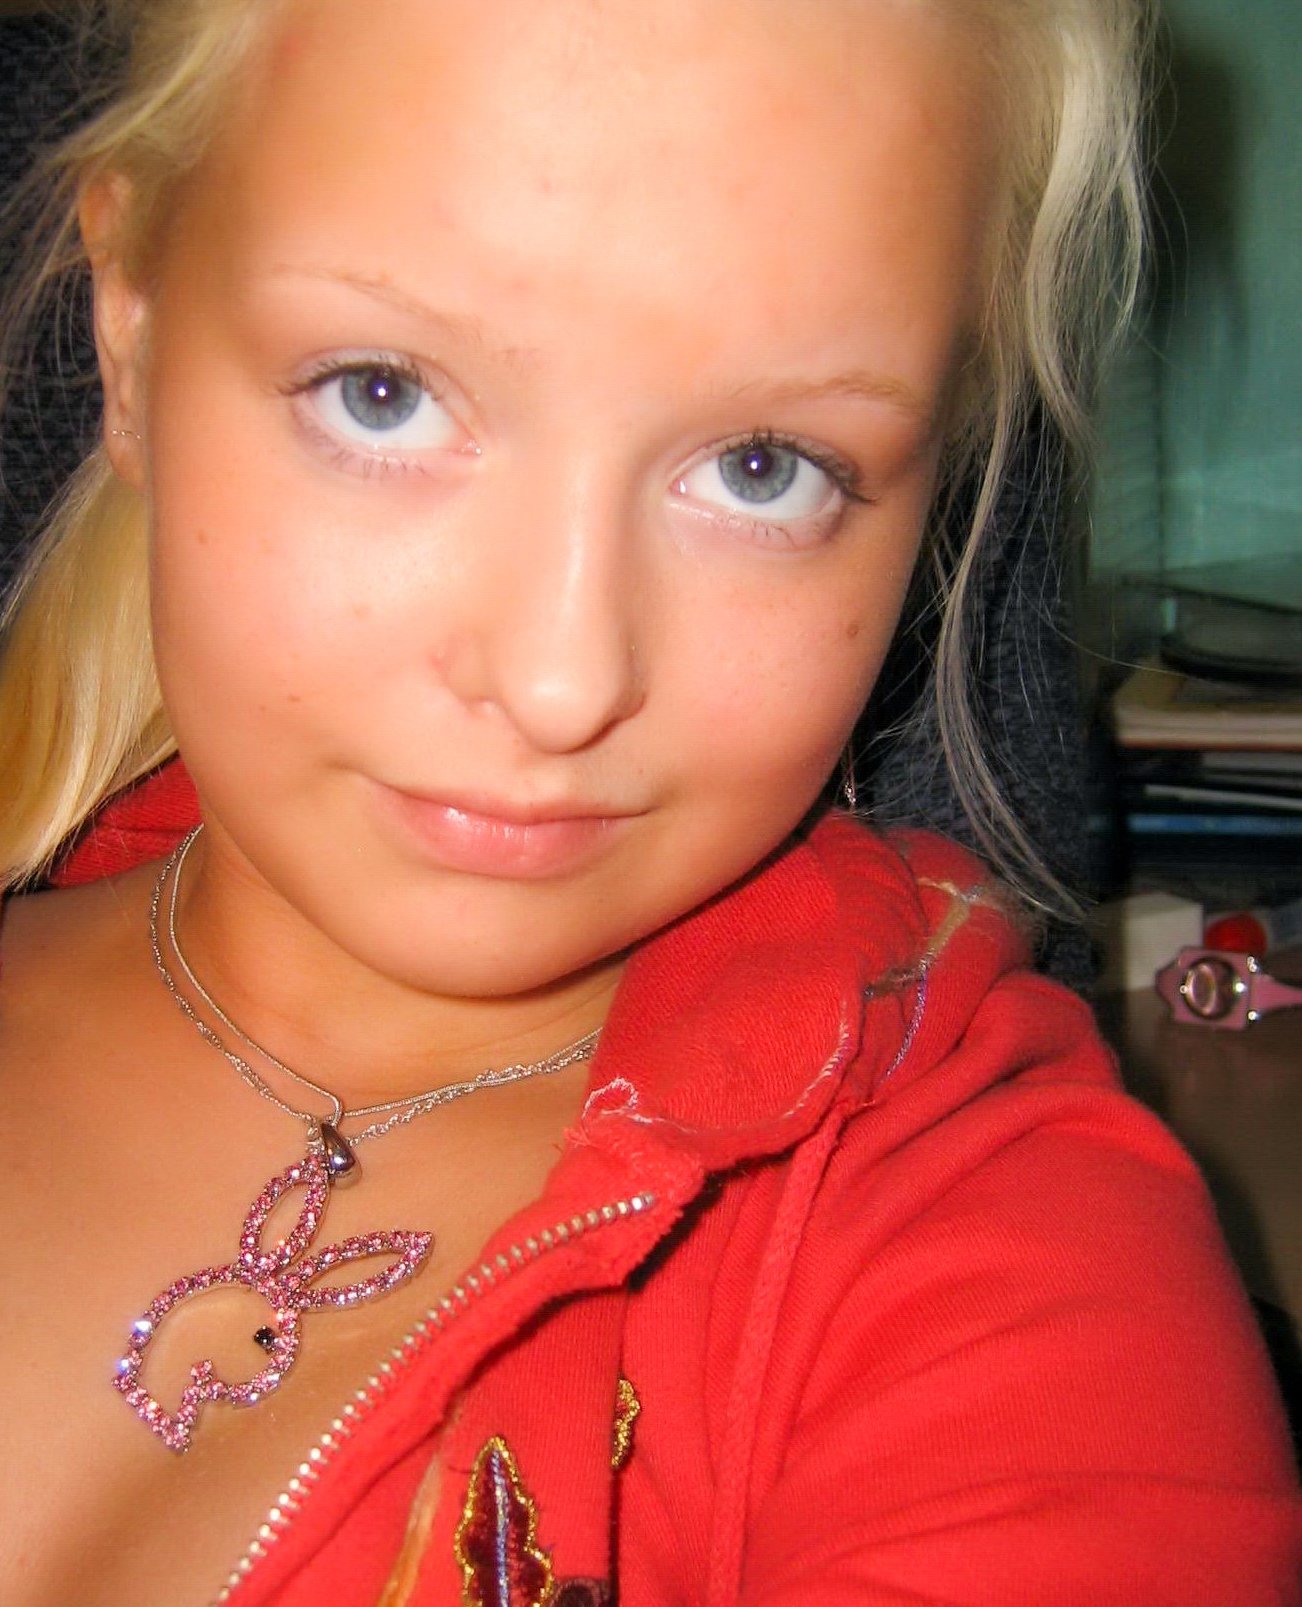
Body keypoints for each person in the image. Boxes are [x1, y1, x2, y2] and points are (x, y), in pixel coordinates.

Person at [0, 1, 1297, 1603]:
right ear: (130, 338)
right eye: (382, 393)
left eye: (763, 467)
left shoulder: (1002, 1273)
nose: (562, 681)